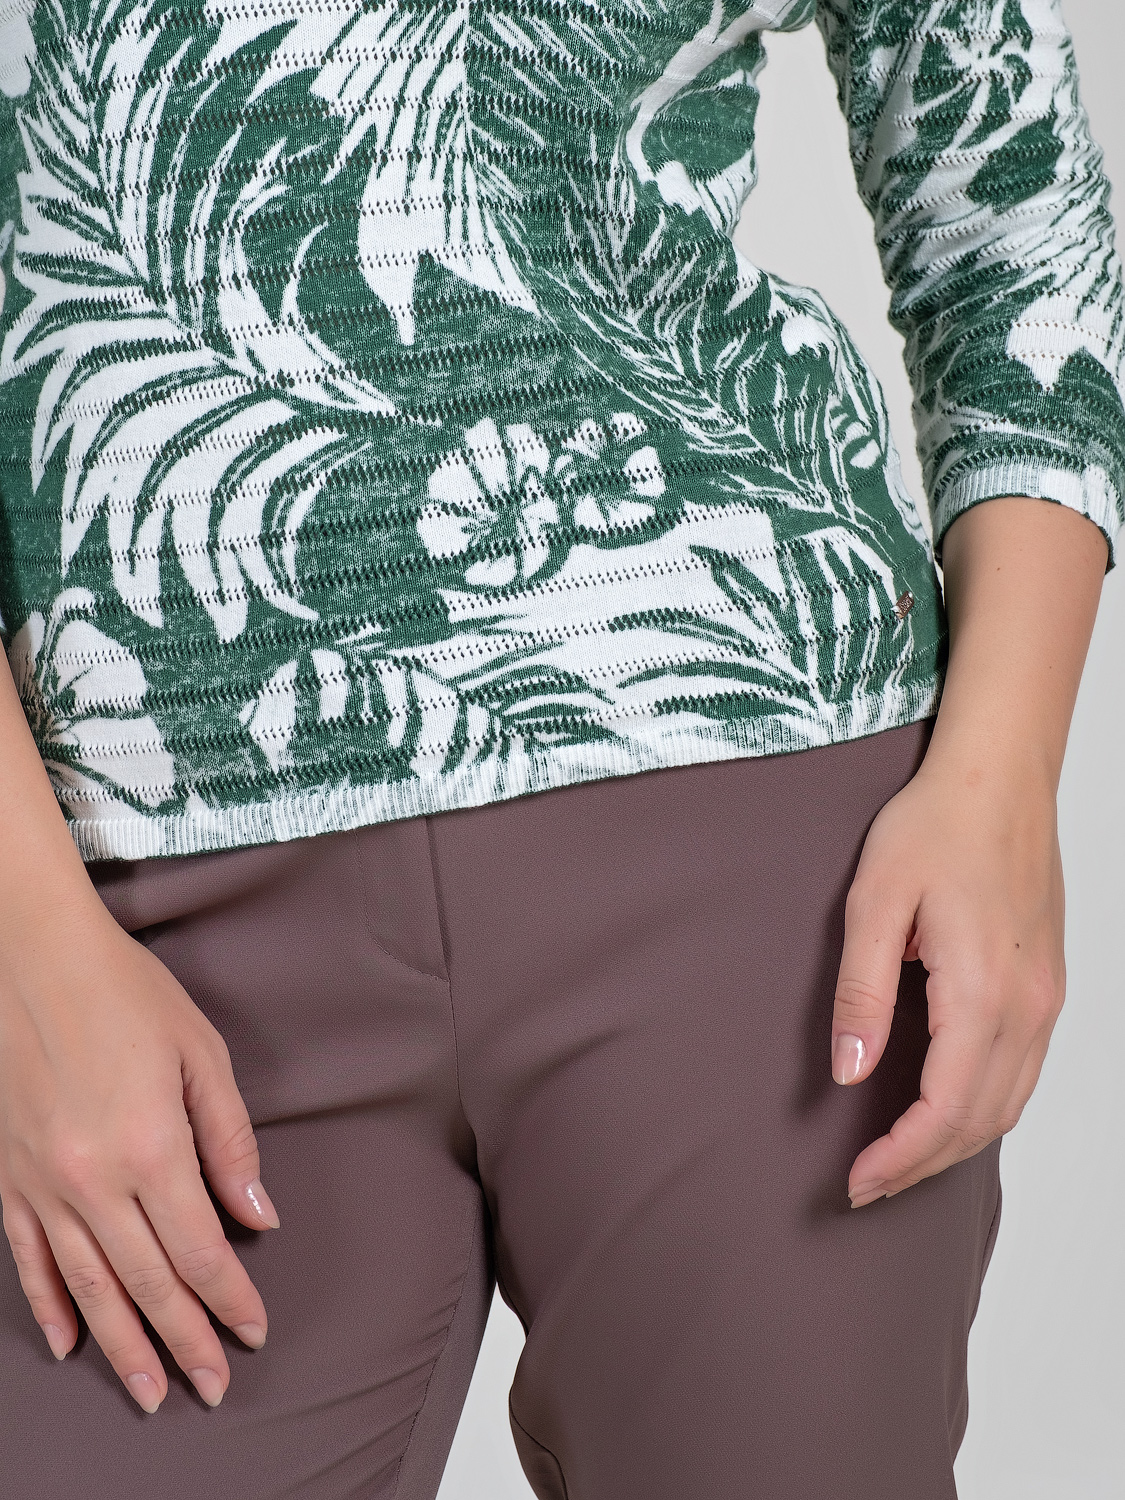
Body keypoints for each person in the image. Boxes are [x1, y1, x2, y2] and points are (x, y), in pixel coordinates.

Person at [0, 0, 1120, 1495]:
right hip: (126, 900)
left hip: (767, 848)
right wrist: (22, 947)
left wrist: (1001, 788)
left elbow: (1009, 200)